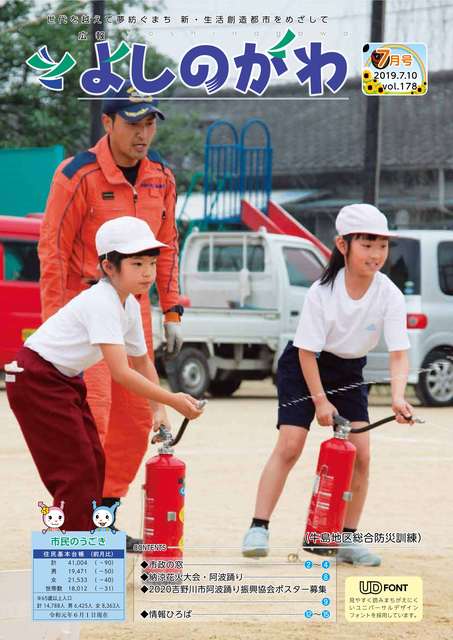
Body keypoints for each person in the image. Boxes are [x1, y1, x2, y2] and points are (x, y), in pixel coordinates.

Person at [38, 82, 183, 549]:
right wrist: (54, 324)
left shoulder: (161, 174)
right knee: (92, 422)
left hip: (133, 311)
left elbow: (168, 245)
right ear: (107, 122)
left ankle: (104, 522)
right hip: (85, 309)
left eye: (149, 124)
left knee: (135, 421)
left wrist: (172, 309)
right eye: (132, 123)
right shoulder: (77, 175)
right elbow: (54, 250)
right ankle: (71, 529)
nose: (143, 134)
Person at [242, 204, 414, 566]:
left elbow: (399, 353)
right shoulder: (322, 292)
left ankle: (345, 540)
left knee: (361, 457)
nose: (377, 254)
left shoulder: (389, 294)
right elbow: (306, 354)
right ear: (342, 244)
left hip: (350, 373)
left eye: (382, 245)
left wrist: (398, 398)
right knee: (291, 444)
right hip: (305, 366)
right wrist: (320, 402)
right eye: (367, 245)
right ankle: (258, 527)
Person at [5, 217, 203, 532]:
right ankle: (75, 551)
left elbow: (142, 362)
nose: (148, 272)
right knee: (76, 470)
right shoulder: (102, 302)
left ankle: (83, 538)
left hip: (62, 379)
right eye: (137, 263)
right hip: (35, 379)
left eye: (152, 262)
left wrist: (160, 411)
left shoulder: (129, 306)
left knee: (95, 461)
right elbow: (122, 372)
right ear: (109, 267)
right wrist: (173, 398)